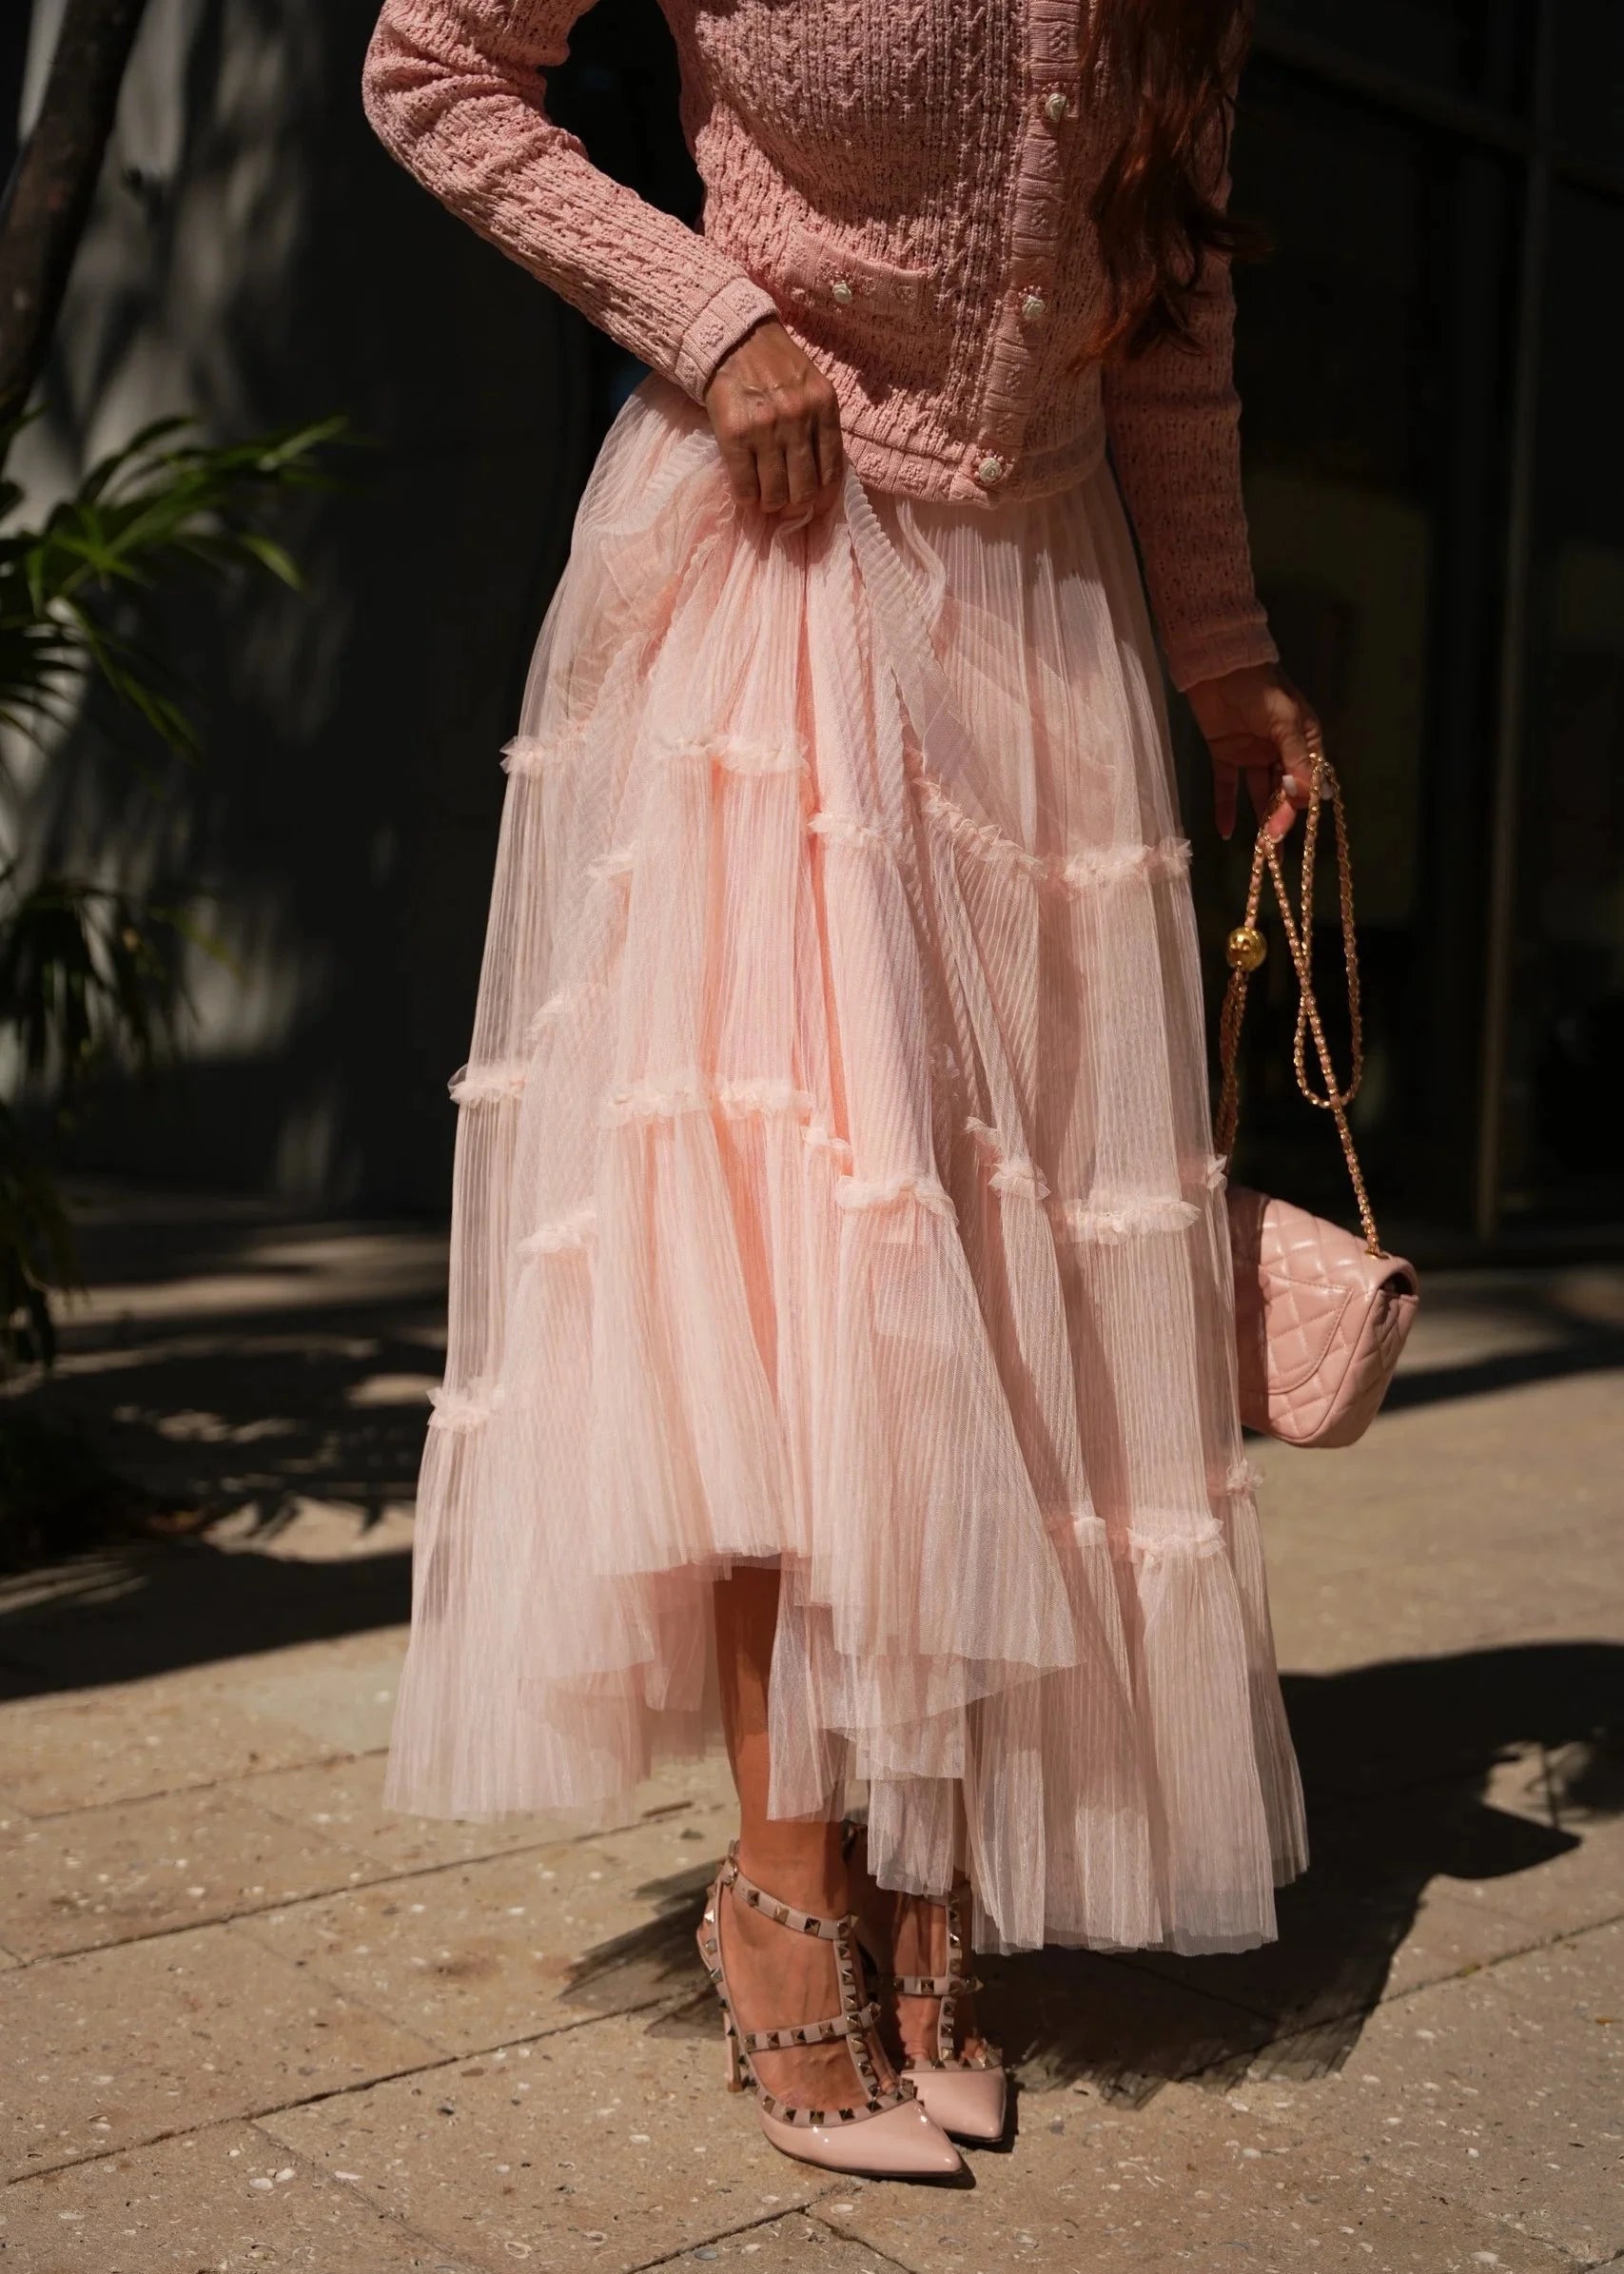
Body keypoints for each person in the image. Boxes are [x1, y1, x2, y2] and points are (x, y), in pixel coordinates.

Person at [362, 0, 1315, 2180]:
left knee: (989, 1276)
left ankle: (915, 1865)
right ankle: (784, 1884)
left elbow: (1163, 311)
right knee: (808, 1263)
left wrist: (1225, 659)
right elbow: (430, 67)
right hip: (774, 573)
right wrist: (705, 319)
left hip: (1038, 629)